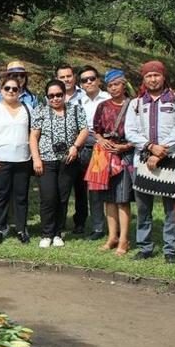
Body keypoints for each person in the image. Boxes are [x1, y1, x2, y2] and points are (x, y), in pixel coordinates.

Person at [126, 61, 175, 263]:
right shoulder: (136, 103)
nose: (153, 79)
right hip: (143, 159)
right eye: (148, 76)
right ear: (143, 79)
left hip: (170, 159)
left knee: (171, 207)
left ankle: (170, 249)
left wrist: (162, 151)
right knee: (144, 208)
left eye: (156, 75)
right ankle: (145, 246)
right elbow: (131, 131)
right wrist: (150, 147)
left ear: (163, 77)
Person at [30, 79, 89, 248]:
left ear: (64, 94)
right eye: (51, 96)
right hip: (46, 161)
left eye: (59, 95)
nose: (55, 99)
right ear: (46, 97)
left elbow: (84, 130)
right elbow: (33, 136)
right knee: (48, 197)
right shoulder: (40, 110)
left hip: (68, 160)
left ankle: (57, 232)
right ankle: (46, 233)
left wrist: (75, 147)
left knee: (62, 197)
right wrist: (36, 159)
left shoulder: (76, 110)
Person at [92, 70, 136, 255]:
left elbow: (140, 132)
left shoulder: (134, 105)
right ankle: (112, 237)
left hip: (125, 154)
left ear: (124, 84)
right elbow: (96, 129)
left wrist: (124, 147)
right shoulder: (102, 106)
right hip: (105, 156)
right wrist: (101, 140)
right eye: (110, 85)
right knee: (108, 198)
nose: (113, 88)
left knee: (122, 199)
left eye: (116, 84)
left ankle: (124, 239)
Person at [0, 75, 32, 244]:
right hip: (1, 160)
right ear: (1, 90)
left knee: (21, 197)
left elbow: (32, 134)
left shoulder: (27, 109)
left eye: (15, 89)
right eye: (7, 88)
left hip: (23, 160)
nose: (11, 91)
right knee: (0, 196)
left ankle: (21, 228)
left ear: (20, 91)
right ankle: (0, 228)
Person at [73, 65, 110, 239]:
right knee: (87, 190)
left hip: (104, 148)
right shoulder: (77, 102)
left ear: (98, 80)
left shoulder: (108, 98)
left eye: (92, 78)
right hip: (83, 149)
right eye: (84, 80)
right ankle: (95, 226)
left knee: (104, 190)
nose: (89, 82)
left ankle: (107, 227)